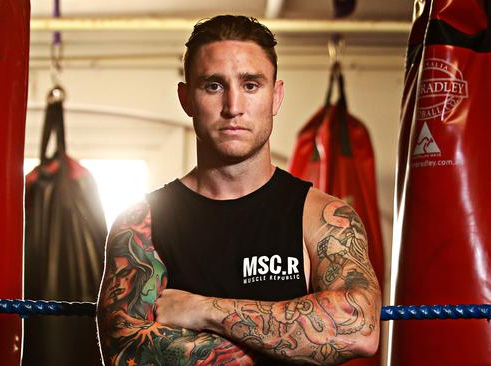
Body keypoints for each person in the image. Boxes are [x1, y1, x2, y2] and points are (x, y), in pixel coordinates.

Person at [97, 15, 381, 365]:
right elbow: (127, 351)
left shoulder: (320, 217)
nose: (233, 107)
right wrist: (289, 339)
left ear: (275, 97)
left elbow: (360, 329)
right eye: (213, 86)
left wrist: (202, 310)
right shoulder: (143, 222)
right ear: (186, 99)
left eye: (251, 85)